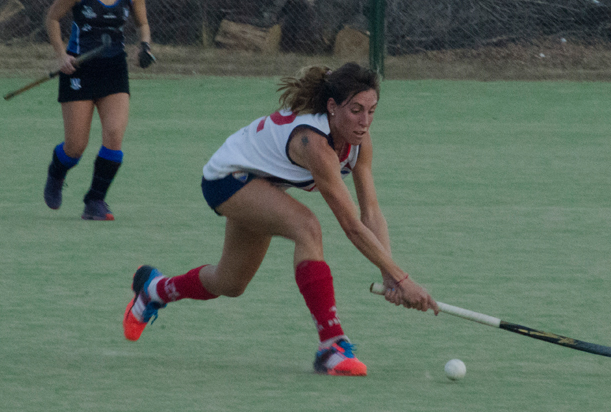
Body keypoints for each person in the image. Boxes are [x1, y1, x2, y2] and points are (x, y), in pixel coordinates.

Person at [122, 63, 439, 377]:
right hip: (226, 179)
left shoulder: (359, 141)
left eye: (371, 111)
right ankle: (331, 345)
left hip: (264, 184)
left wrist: (389, 273)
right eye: (356, 110)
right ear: (332, 107)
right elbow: (352, 225)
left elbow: (370, 212)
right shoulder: (315, 143)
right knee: (307, 226)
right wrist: (401, 279)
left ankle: (154, 289)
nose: (365, 121)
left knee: (229, 283)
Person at [44, 0, 156, 220]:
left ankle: (95, 200)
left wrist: (144, 46)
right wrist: (61, 55)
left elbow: (142, 24)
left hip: (114, 69)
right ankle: (56, 173)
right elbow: (52, 18)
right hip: (78, 68)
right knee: (75, 147)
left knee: (114, 136)